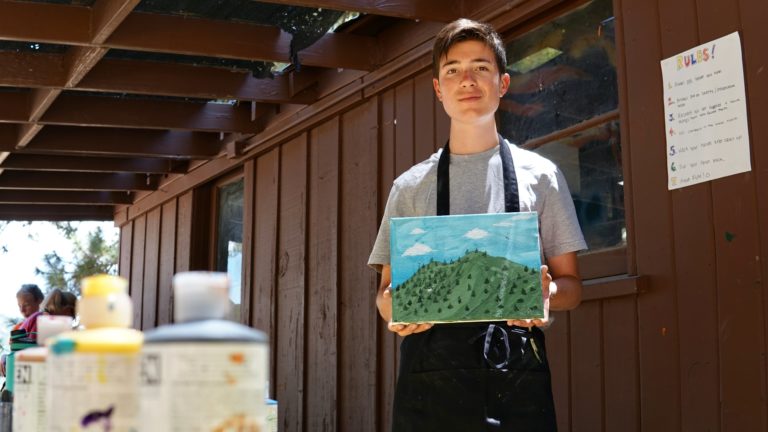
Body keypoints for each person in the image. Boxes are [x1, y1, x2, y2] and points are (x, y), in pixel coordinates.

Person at [368, 18, 587, 431]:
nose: (467, 80)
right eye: (452, 70)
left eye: (481, 67)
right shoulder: (410, 186)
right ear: (438, 88)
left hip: (517, 384)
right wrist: (393, 310)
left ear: (502, 83)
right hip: (428, 390)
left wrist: (547, 294)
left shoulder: (541, 176)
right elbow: (384, 295)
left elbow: (571, 287)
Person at [1, 284, 44, 377]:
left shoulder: (42, 320)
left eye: (26, 305)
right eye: (19, 305)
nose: (22, 310)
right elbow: (13, 352)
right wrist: (5, 357)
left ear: (39, 301)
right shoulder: (18, 327)